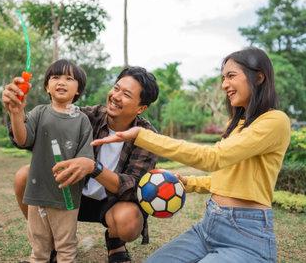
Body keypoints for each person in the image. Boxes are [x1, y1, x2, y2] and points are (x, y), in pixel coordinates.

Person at [91, 47, 291, 263]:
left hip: (246, 234)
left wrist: (142, 135)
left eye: (231, 76)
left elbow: (213, 158)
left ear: (259, 77)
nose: (224, 85)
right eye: (223, 78)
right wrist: (190, 183)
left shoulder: (275, 121)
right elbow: (230, 178)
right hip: (209, 226)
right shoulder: (237, 124)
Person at [2, 66, 159, 263]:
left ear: (141, 107)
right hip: (70, 192)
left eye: (126, 94)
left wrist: (94, 168)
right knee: (24, 176)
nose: (116, 96)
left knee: (128, 221)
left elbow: (133, 188)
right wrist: (16, 112)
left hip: (112, 204)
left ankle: (115, 241)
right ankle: (49, 245)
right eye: (116, 88)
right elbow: (25, 138)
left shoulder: (147, 137)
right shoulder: (86, 115)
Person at [9, 59, 94, 263]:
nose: (61, 82)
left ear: (78, 90)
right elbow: (22, 139)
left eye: (69, 78)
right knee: (38, 247)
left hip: (66, 197)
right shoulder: (39, 112)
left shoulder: (82, 120)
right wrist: (16, 113)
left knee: (66, 248)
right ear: (47, 86)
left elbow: (85, 159)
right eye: (55, 77)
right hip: (37, 193)